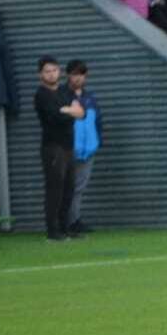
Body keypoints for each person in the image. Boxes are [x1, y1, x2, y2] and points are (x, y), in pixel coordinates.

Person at [34, 56, 84, 241]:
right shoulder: (41, 95)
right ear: (40, 74)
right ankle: (52, 231)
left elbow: (80, 112)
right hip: (53, 148)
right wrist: (67, 111)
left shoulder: (65, 92)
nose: (52, 74)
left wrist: (67, 110)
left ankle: (65, 227)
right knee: (54, 189)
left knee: (68, 188)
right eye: (47, 71)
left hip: (69, 146)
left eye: (54, 70)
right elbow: (54, 117)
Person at [65, 60, 101, 237]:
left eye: (81, 74)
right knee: (68, 186)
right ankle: (67, 221)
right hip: (69, 148)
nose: (77, 78)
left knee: (79, 187)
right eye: (74, 74)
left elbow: (97, 122)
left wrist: (97, 142)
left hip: (89, 149)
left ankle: (75, 219)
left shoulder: (90, 98)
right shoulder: (63, 95)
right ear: (68, 75)